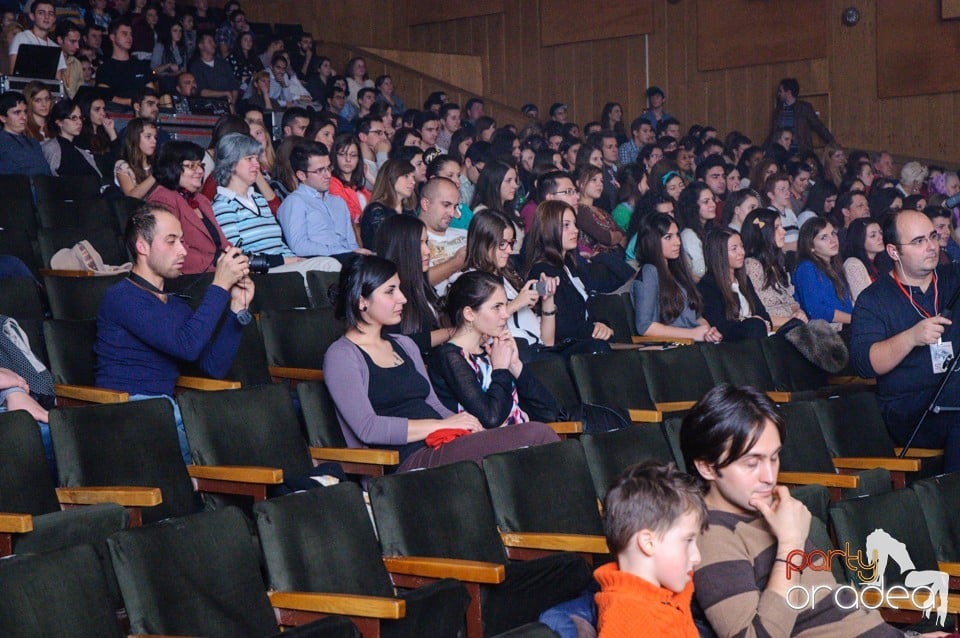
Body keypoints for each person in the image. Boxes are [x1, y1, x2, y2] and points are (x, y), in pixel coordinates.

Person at [681, 384, 913, 638]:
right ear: (706, 467)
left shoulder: (770, 511)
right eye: (752, 463)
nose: (769, 477)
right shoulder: (711, 535)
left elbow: (831, 611)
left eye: (774, 457)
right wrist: (790, 544)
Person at [322, 254, 558, 472]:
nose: (402, 298)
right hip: (407, 460)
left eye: (400, 289)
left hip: (442, 446)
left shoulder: (404, 344)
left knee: (531, 448)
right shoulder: (342, 355)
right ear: (362, 301)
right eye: (390, 291)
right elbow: (368, 428)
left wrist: (469, 428)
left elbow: (434, 403)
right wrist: (441, 426)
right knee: (536, 435)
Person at [95, 204, 253, 462]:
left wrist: (237, 308)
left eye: (182, 240)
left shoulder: (174, 304)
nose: (183, 250)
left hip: (167, 411)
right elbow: (186, 346)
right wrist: (220, 285)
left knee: (248, 435)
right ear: (142, 247)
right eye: (171, 241)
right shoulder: (121, 297)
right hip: (130, 413)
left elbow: (213, 367)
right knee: (227, 450)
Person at [850, 209, 960, 474]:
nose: (931, 246)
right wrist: (912, 337)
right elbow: (865, 364)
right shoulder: (874, 299)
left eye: (932, 237)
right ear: (893, 251)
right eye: (918, 241)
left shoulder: (953, 278)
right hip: (910, 409)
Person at [429, 270, 561, 427]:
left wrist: (515, 365)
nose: (505, 314)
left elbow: (550, 413)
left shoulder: (493, 353)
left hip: (523, 441)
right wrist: (500, 371)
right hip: (491, 447)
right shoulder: (449, 356)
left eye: (505, 305)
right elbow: (491, 418)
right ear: (469, 314)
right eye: (497, 307)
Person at [594, 461, 705, 638]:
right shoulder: (627, 620)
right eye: (688, 541)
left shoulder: (665, 594)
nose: (697, 557)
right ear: (649, 542)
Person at [212, 133, 340, 277]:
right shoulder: (223, 205)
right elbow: (237, 256)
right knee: (328, 265)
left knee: (328, 265)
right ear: (230, 164)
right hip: (259, 274)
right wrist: (286, 261)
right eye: (249, 159)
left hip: (282, 267)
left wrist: (296, 260)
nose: (257, 164)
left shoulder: (259, 200)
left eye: (256, 158)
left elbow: (278, 243)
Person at [462, 210, 559, 357]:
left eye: (511, 243)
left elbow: (547, 342)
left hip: (537, 353)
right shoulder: (468, 280)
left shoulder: (508, 274)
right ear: (483, 243)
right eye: (502, 244)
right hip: (510, 358)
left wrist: (548, 296)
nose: (509, 250)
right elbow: (476, 337)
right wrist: (516, 304)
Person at [526, 200, 614, 346]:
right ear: (549, 229)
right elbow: (561, 327)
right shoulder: (541, 271)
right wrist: (593, 330)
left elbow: (588, 309)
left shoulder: (570, 264)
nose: (575, 230)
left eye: (574, 224)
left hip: (587, 342)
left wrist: (602, 325)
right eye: (566, 225)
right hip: (569, 349)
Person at [632, 212, 721, 342]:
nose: (678, 242)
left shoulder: (678, 271)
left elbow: (695, 316)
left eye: (677, 235)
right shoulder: (650, 271)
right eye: (668, 237)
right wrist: (692, 334)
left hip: (692, 344)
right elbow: (645, 327)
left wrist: (708, 331)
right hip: (672, 350)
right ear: (652, 241)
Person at [277, 140, 369, 260]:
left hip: (348, 262)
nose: (328, 175)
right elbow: (299, 246)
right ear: (301, 175)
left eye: (329, 168)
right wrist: (344, 253)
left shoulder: (339, 202)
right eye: (320, 170)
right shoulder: (295, 202)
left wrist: (354, 255)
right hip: (319, 266)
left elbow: (352, 244)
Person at [146, 141, 226, 275]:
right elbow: (172, 250)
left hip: (214, 273)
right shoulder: (163, 198)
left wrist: (237, 259)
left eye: (201, 165)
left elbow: (223, 243)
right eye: (191, 166)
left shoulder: (201, 200)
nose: (200, 171)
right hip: (189, 279)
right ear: (172, 167)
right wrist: (217, 264)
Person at [697, 228, 771, 342]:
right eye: (734, 249)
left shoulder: (744, 280)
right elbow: (722, 328)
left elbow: (764, 315)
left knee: (796, 325)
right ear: (719, 253)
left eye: (742, 246)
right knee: (754, 325)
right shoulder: (708, 286)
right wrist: (752, 322)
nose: (741, 252)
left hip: (759, 336)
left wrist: (761, 322)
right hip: (734, 345)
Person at [741, 209, 808, 329]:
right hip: (775, 329)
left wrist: (799, 313)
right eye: (776, 228)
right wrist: (792, 321)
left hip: (792, 324)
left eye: (781, 226)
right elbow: (759, 311)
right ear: (763, 233)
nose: (783, 232)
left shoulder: (776, 263)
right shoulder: (752, 265)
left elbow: (790, 301)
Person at [794, 218, 853, 325]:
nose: (833, 240)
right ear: (811, 246)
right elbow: (817, 311)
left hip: (846, 326)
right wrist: (856, 320)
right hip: (826, 333)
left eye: (833, 234)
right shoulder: (806, 268)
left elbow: (847, 305)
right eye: (824, 237)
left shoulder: (834, 266)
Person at [359, 158, 416, 249]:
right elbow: (384, 247)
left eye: (413, 177)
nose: (413, 182)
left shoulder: (409, 211)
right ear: (391, 177)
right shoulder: (376, 210)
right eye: (406, 176)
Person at [766, 77, 834, 153]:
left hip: (801, 152)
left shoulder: (804, 108)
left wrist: (832, 142)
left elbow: (818, 126)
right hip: (782, 152)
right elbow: (774, 133)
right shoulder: (778, 111)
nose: (778, 94)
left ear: (788, 92)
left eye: (780, 91)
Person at [0, 91, 51, 177]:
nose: (23, 117)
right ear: (3, 118)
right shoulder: (2, 143)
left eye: (25, 112)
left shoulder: (34, 143)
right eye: (17, 112)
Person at [677, 182, 717, 281]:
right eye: (706, 201)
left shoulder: (711, 230)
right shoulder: (688, 234)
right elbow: (700, 270)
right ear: (693, 205)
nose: (713, 205)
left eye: (713, 200)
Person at [843, 217, 889, 302]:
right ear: (860, 240)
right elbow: (864, 302)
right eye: (873, 236)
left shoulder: (880, 263)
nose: (880, 238)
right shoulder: (853, 265)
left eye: (880, 233)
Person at [114, 117, 157, 198]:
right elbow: (132, 196)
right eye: (148, 136)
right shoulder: (123, 166)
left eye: (155, 137)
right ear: (135, 138)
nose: (154, 141)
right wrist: (156, 175)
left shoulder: (156, 163)